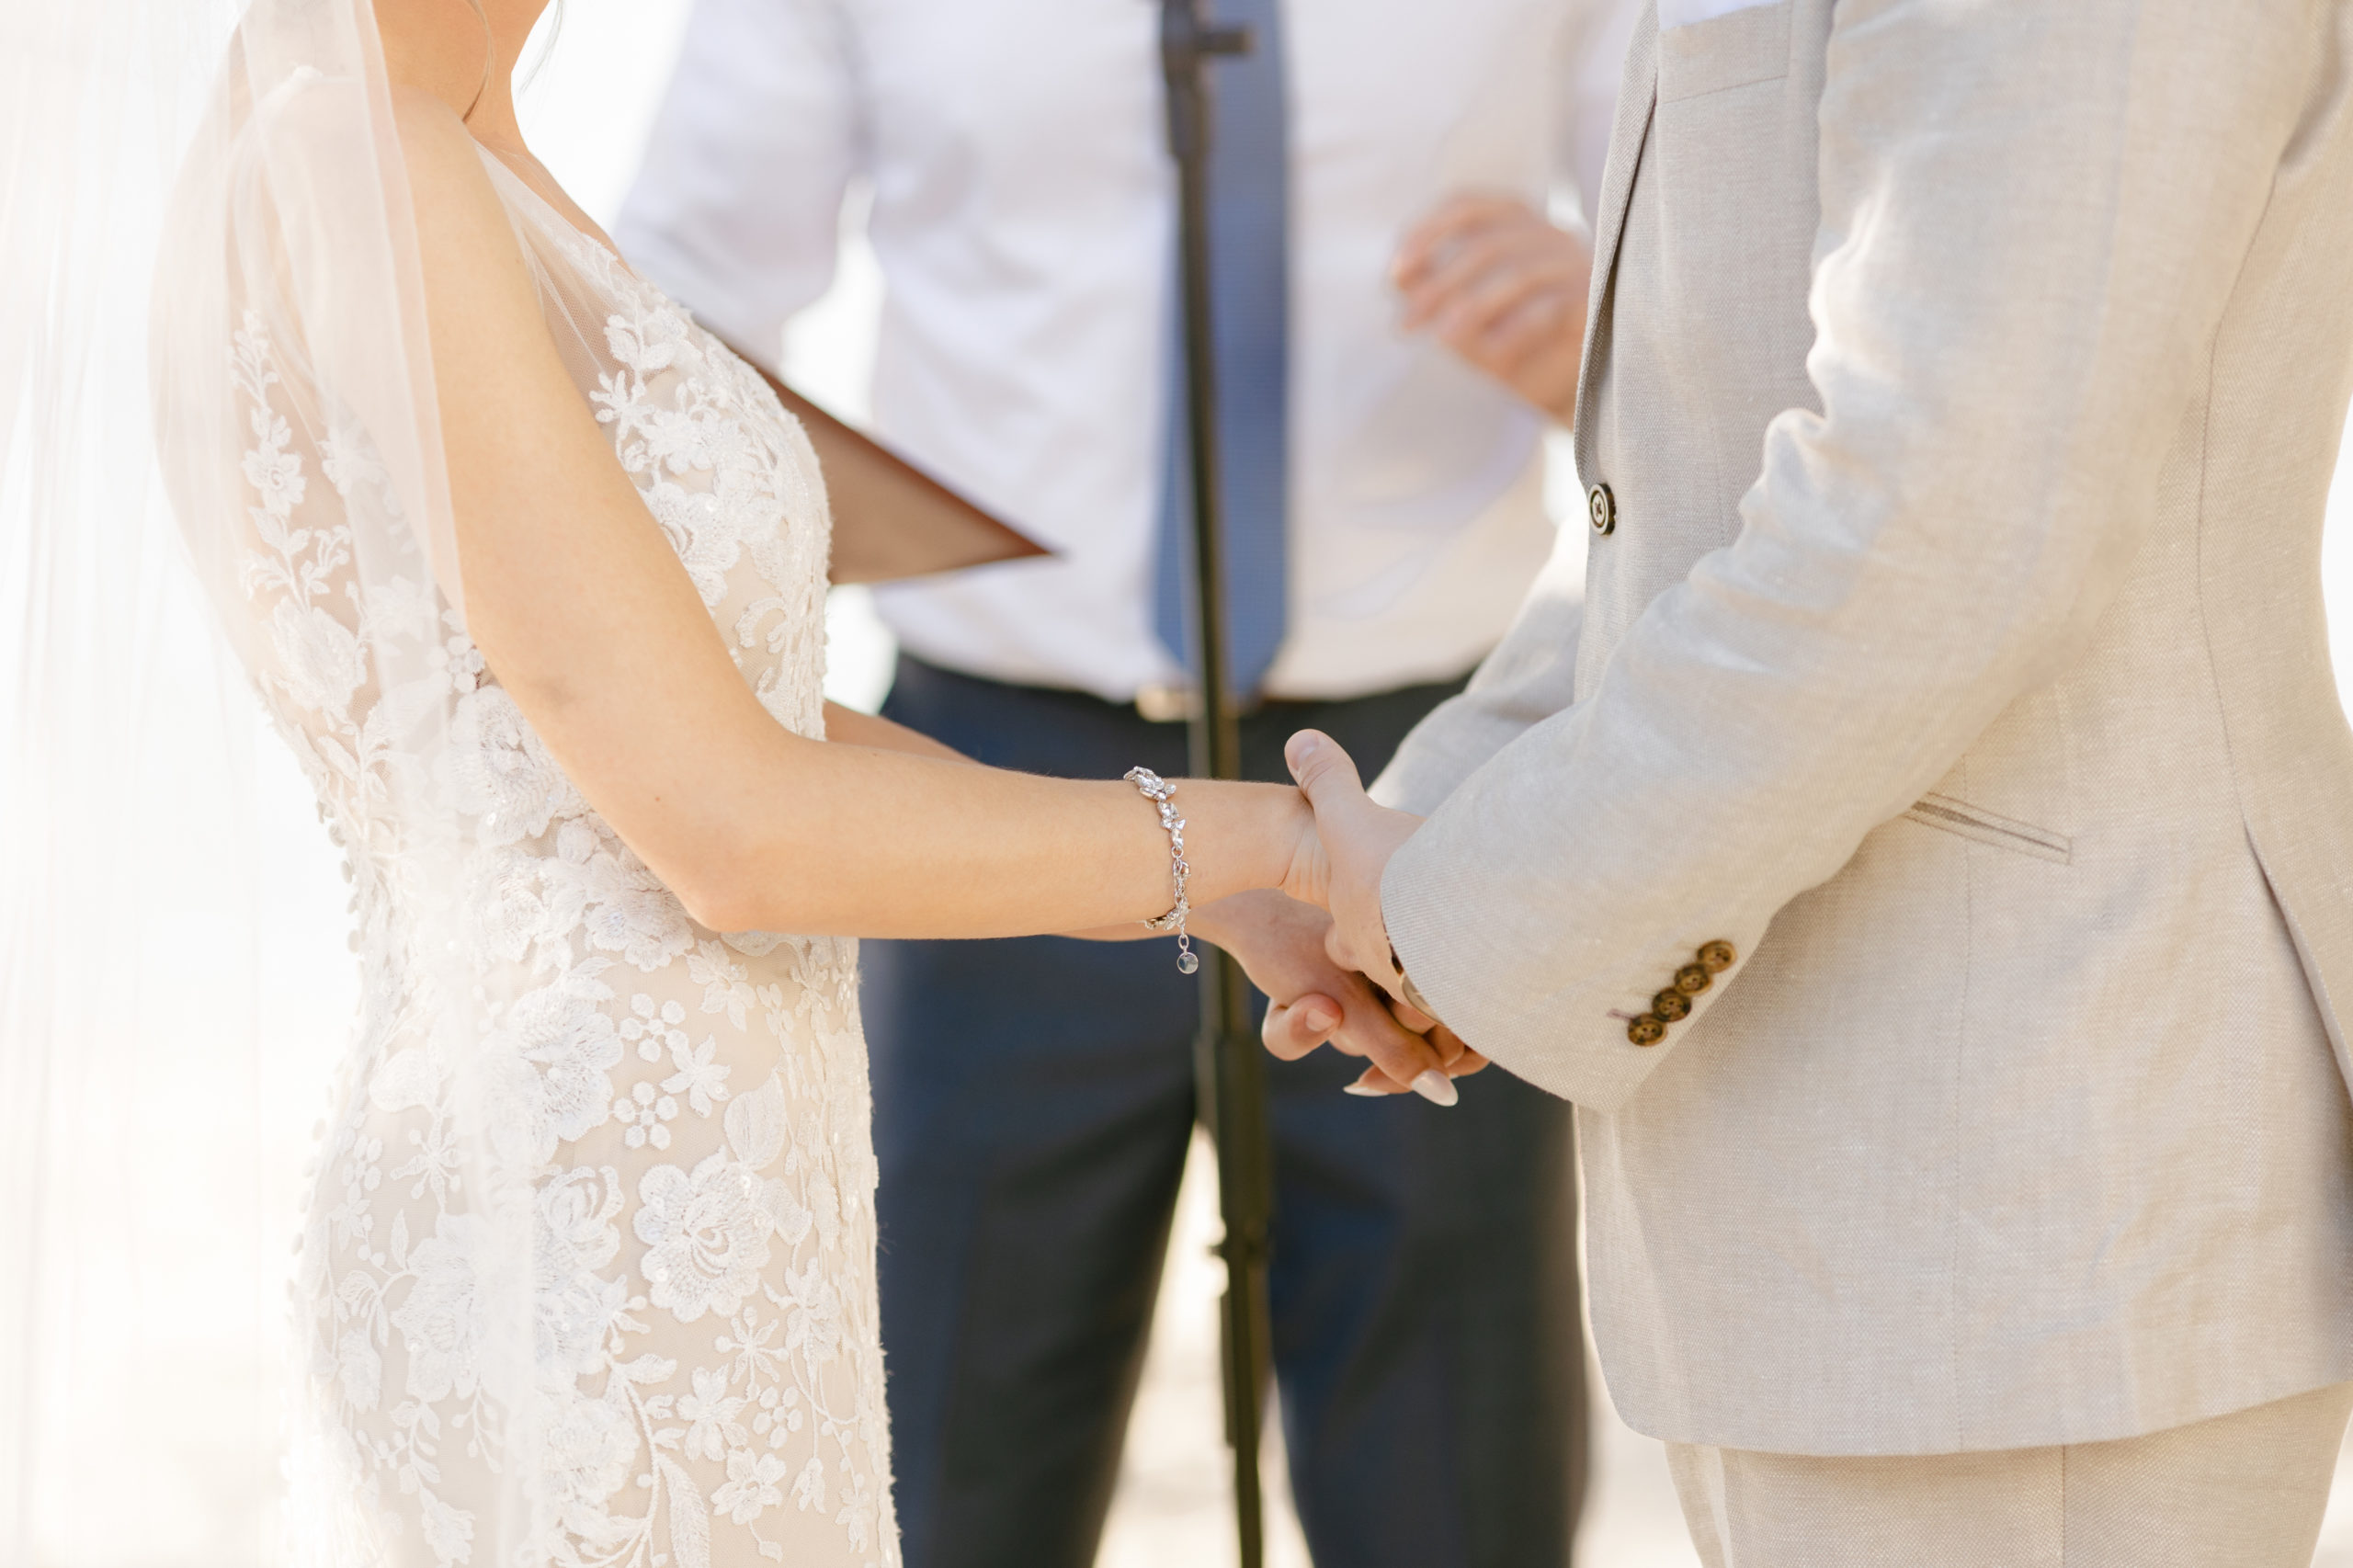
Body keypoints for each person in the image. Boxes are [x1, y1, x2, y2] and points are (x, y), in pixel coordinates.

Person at [99, 0, 1471, 1562]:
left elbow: (726, 715)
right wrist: (1278, 839)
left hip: (711, 1216)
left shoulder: (446, 133)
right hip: (591, 1256)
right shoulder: (359, 160)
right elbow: (734, 831)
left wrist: (1220, 893)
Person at [1268, 0, 2353, 1562]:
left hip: (2035, 1181)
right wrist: (1429, 837)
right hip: (1877, 1184)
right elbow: (1707, 491)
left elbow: (1938, 524)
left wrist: (1479, 908)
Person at [613, 2, 1640, 1561]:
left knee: (1458, 1484)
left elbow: (1747, 271)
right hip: (983, 779)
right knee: (947, 1476)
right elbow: (675, 315)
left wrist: (1617, 339)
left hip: (1433, 773)